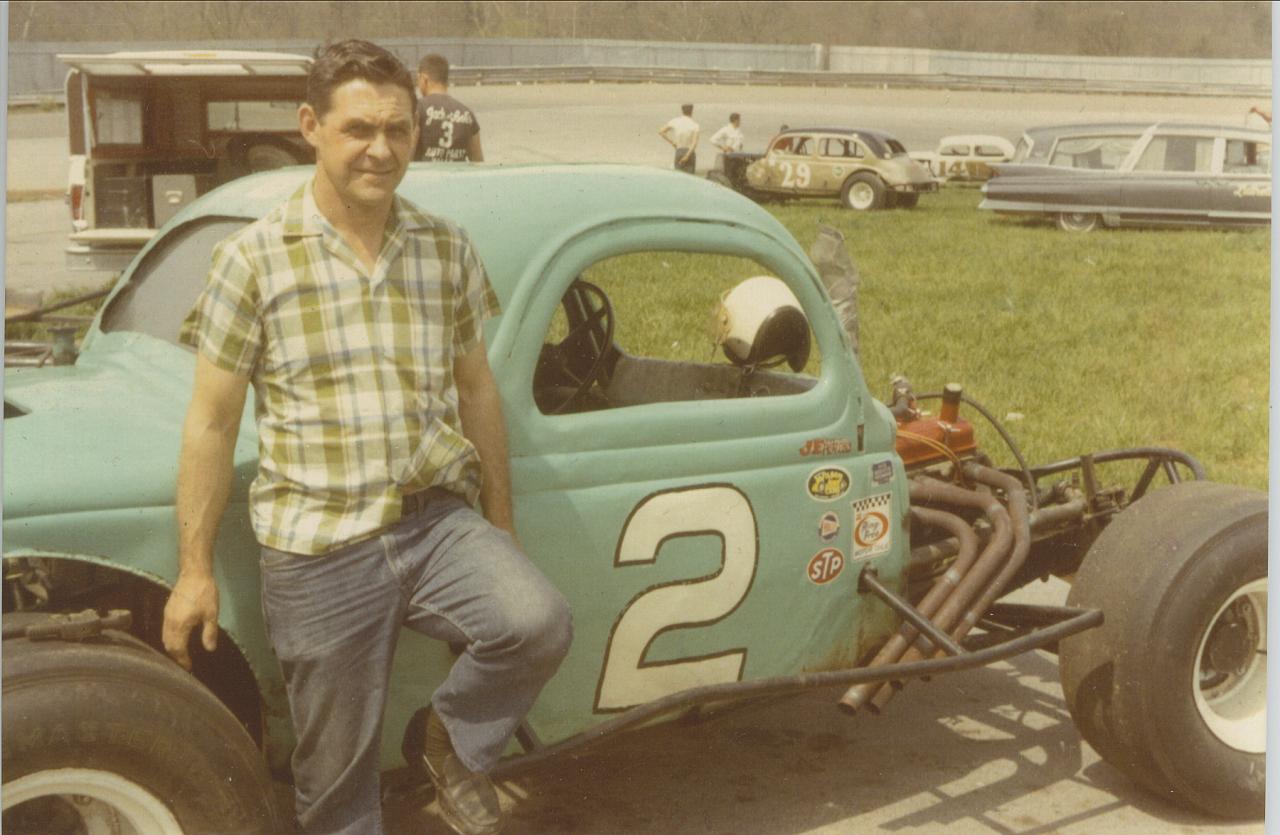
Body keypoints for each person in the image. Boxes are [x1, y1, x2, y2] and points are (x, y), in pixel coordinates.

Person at [162, 39, 570, 835]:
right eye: (358, 129)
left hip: (434, 522)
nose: (380, 149)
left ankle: (447, 742)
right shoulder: (252, 259)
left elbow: (476, 389)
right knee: (338, 788)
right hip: (318, 549)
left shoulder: (445, 246)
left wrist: (501, 522)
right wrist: (194, 570)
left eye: (397, 129)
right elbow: (211, 421)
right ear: (310, 126)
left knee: (536, 621)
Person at [415, 53, 484, 161]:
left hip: (426, 172)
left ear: (424, 79)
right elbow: (478, 161)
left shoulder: (417, 109)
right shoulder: (467, 114)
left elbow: (407, 155)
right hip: (457, 172)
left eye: (418, 80)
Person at [658, 103, 700, 173]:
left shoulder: (675, 121)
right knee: (690, 176)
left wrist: (672, 142)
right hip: (689, 152)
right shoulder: (695, 125)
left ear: (682, 111)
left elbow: (661, 132)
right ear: (692, 111)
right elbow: (694, 144)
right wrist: (687, 156)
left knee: (678, 174)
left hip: (679, 150)